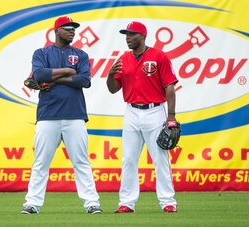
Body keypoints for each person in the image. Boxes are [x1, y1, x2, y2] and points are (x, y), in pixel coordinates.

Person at [21, 16, 102, 214]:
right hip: (48, 115)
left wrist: (55, 80)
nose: (72, 31)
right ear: (56, 31)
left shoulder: (80, 55)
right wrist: (67, 71)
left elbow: (84, 80)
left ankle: (92, 203)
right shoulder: (42, 53)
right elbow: (38, 75)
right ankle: (32, 203)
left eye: (74, 28)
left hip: (75, 115)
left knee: (81, 161)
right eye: (67, 28)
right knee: (41, 161)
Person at [106, 21, 178, 213]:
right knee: (128, 159)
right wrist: (110, 76)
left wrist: (171, 116)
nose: (128, 38)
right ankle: (127, 203)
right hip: (131, 111)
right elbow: (114, 89)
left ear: (143, 36)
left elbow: (169, 86)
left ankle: (168, 201)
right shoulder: (123, 59)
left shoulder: (159, 56)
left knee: (160, 158)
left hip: (155, 110)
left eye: (132, 34)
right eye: (126, 35)